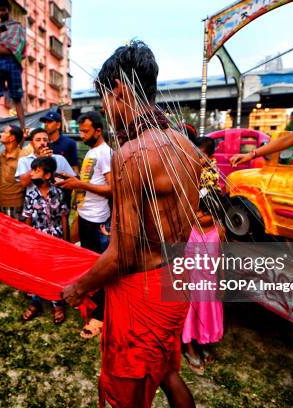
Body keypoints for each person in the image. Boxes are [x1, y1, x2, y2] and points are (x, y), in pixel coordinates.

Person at [62, 41, 201, 408]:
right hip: (176, 278)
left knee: (126, 391)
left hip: (142, 289)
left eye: (106, 100)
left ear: (120, 91)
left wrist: (79, 288)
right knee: (168, 371)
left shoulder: (130, 155)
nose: (107, 112)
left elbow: (122, 255)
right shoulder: (185, 146)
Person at [56, 111, 112, 339]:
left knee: (102, 269)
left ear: (98, 131)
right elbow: (90, 182)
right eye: (80, 130)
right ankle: (94, 303)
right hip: (87, 216)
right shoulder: (92, 152)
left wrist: (79, 184)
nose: (81, 135)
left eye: (85, 131)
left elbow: (111, 189)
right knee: (90, 265)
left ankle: (102, 313)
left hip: (99, 219)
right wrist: (70, 180)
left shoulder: (106, 153)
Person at [181, 136, 224, 375]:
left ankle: (204, 340)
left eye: (203, 211)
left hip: (208, 284)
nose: (198, 215)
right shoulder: (187, 227)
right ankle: (189, 346)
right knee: (190, 311)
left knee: (206, 311)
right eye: (195, 210)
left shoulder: (219, 229)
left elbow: (222, 260)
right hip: (189, 283)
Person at [21, 156, 69, 324]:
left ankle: (58, 305)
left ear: (47, 175)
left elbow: (64, 216)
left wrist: (66, 241)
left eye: (36, 171)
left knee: (55, 272)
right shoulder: (31, 196)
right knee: (36, 271)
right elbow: (27, 219)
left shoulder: (59, 193)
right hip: (37, 243)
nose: (32, 174)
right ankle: (35, 302)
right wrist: (28, 240)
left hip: (56, 241)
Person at [0, 0, 26, 132]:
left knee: (17, 97)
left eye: (3, 9)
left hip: (12, 61)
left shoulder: (17, 26)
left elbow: (22, 44)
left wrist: (17, 55)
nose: (1, 12)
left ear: (8, 10)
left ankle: (22, 127)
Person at [0, 125, 26, 219]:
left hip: (15, 204)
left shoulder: (22, 156)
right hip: (0, 202)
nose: (1, 134)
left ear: (12, 138)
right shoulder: (1, 155)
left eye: (5, 132)